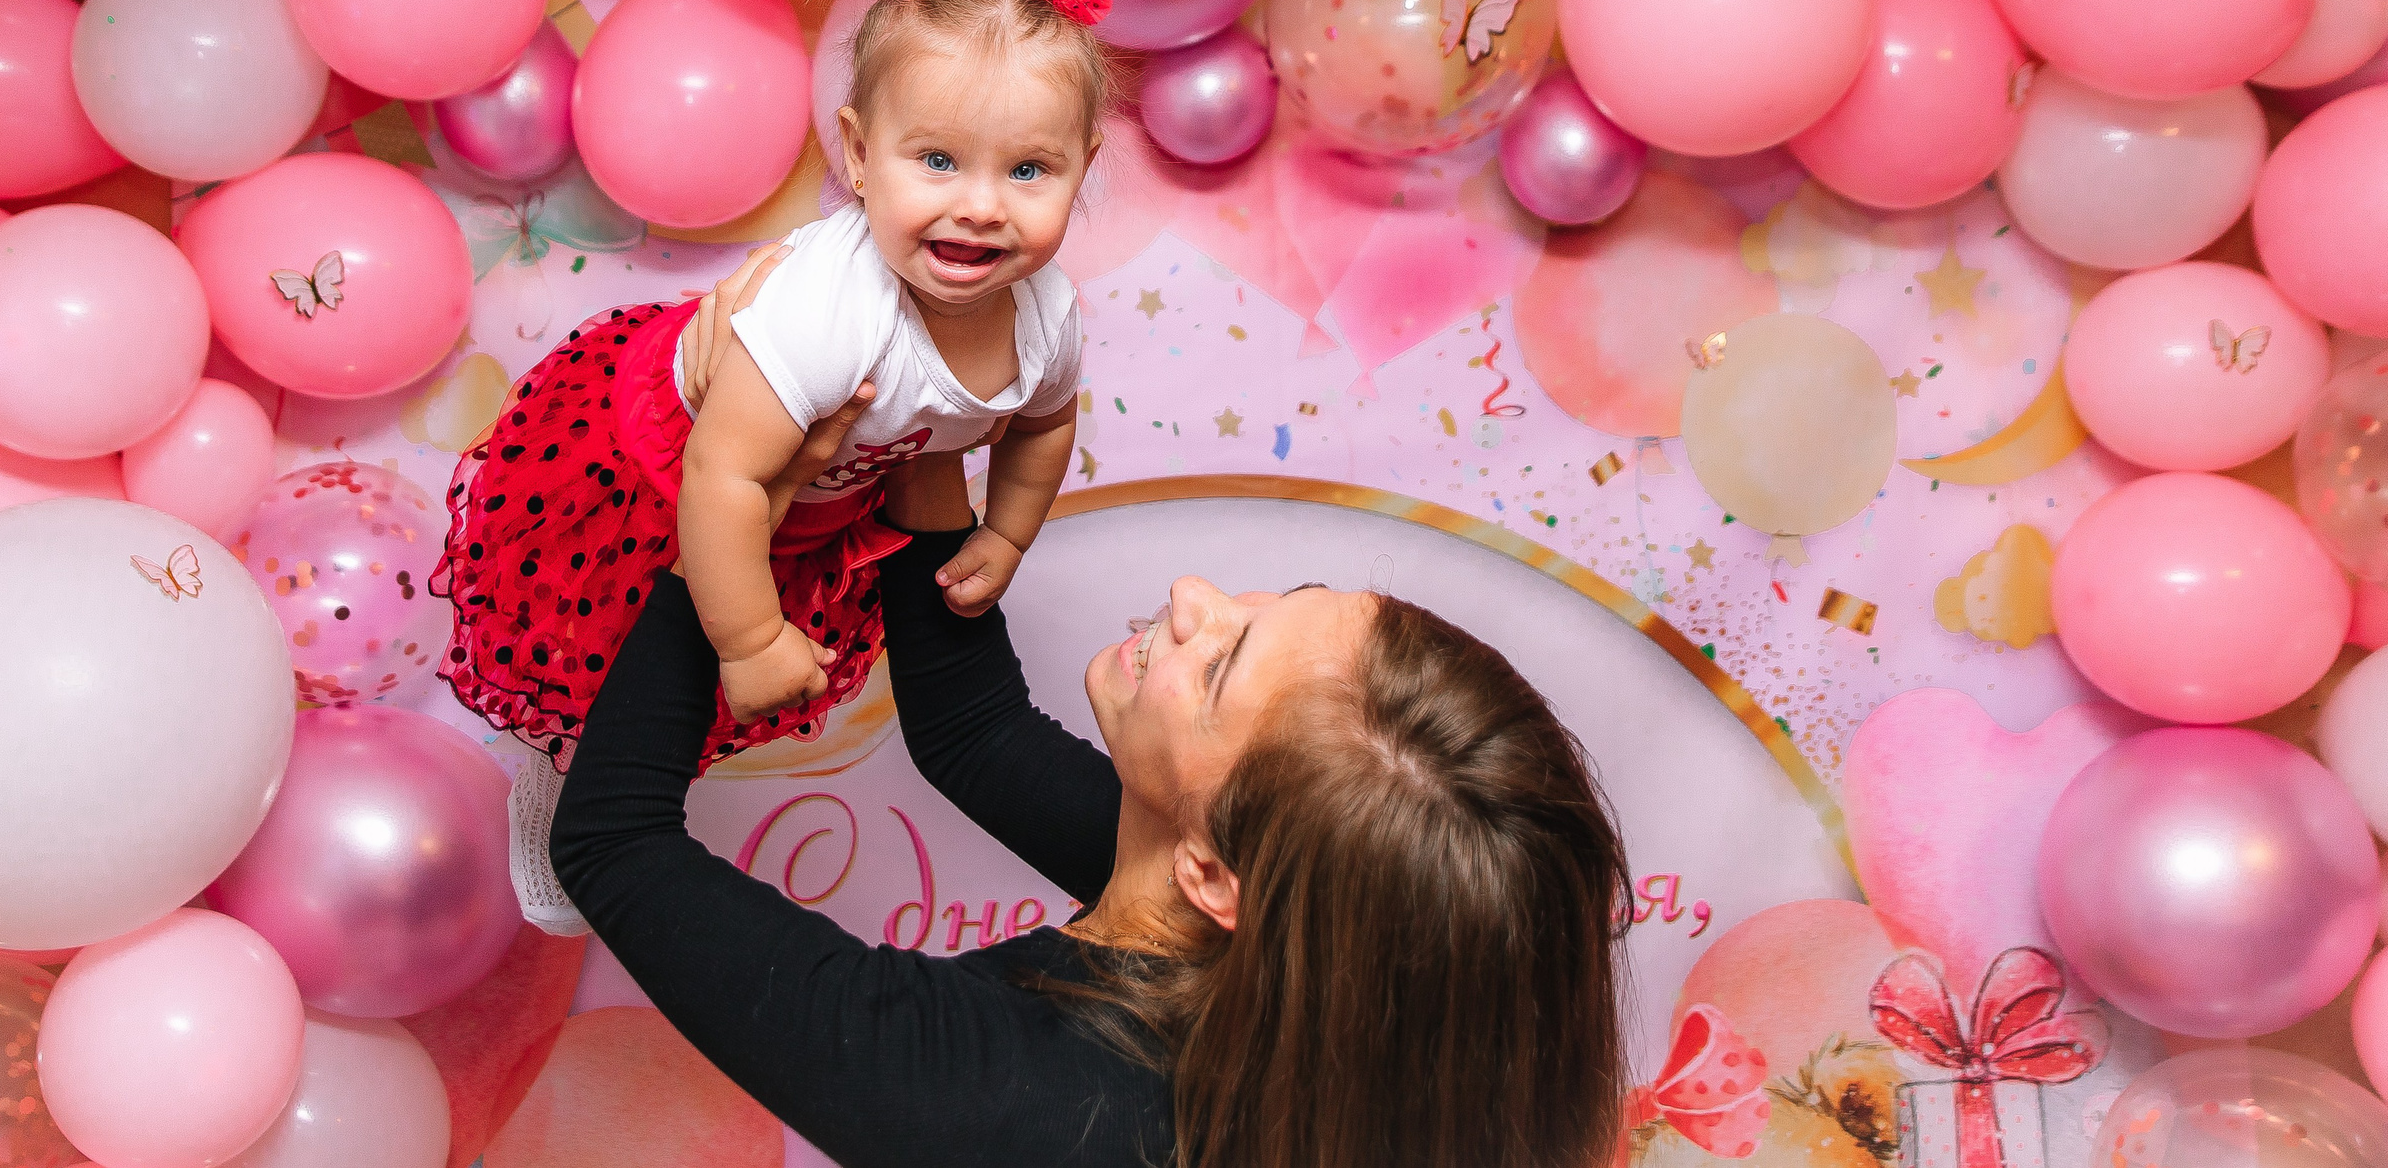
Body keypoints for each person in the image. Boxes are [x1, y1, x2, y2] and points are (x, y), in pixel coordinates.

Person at [548, 251, 1634, 1168]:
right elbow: (977, 738)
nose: (1191, 598)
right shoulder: (1302, 948)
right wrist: (926, 435)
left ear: (1212, 872)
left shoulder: (1002, 1098)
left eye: (1217, 668)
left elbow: (609, 839)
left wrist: (731, 527)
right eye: (1285, 599)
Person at [436, 0, 1114, 807]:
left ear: (1085, 162)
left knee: (713, 674)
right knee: (613, 636)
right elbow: (724, 479)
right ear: (860, 154)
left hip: (814, 495)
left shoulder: (1046, 318)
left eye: (1030, 169)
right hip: (672, 471)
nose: (984, 206)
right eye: (939, 161)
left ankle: (600, 751)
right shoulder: (825, 316)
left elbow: (1045, 422)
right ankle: (561, 773)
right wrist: (751, 640)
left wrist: (1005, 533)